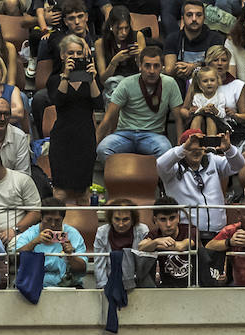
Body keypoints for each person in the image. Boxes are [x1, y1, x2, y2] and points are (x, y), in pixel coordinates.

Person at [96, 45, 185, 160]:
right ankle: (125, 176)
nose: (151, 71)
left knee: (166, 152)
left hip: (153, 135)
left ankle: (152, 178)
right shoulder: (126, 83)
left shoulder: (170, 83)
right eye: (147, 66)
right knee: (103, 149)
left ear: (162, 67)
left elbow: (178, 118)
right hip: (124, 134)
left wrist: (180, 147)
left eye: (156, 66)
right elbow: (108, 118)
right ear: (140, 66)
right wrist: (94, 145)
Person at [158, 128, 245, 242]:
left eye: (200, 147)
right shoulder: (172, 168)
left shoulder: (212, 160)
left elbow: (238, 165)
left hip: (218, 233)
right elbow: (160, 164)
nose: (196, 151)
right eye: (191, 148)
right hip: (187, 235)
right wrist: (184, 147)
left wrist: (229, 149)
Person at [47, 33, 100, 199]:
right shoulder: (55, 79)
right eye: (71, 53)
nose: (75, 57)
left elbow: (99, 104)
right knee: (60, 191)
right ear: (63, 55)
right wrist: (66, 76)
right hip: (62, 140)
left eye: (79, 54)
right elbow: (58, 101)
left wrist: (92, 80)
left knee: (83, 192)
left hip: (85, 139)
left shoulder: (90, 80)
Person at [13, 196, 88, 288]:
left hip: (68, 286)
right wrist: (34, 242)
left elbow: (82, 269)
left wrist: (70, 256)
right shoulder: (30, 234)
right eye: (48, 220)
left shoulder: (73, 234)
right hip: (34, 286)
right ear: (41, 217)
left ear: (63, 219)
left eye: (57, 221)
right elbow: (16, 259)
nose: (52, 224)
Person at [139, 194, 200, 288]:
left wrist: (155, 245)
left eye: (172, 218)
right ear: (155, 220)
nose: (168, 224)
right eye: (163, 219)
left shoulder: (190, 230)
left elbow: (181, 246)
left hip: (193, 285)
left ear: (178, 217)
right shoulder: (155, 234)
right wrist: (156, 241)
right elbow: (141, 247)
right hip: (167, 287)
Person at [164, 0, 226, 84]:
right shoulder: (173, 38)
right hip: (179, 88)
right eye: (189, 15)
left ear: (204, 18)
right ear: (182, 18)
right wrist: (182, 68)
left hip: (207, 87)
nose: (194, 19)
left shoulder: (215, 38)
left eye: (198, 15)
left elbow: (216, 68)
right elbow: (169, 70)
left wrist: (194, 67)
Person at [96, 3, 147, 94]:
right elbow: (103, 78)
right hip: (113, 84)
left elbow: (145, 71)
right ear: (111, 26)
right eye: (119, 28)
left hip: (135, 79)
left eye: (126, 28)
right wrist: (114, 61)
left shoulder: (138, 36)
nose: (123, 32)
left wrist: (139, 56)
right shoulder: (100, 43)